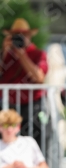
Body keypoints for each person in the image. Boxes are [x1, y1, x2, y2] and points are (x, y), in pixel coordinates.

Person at [0, 18, 49, 150]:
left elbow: (39, 77)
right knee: (7, 142)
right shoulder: (6, 55)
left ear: (29, 37)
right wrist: (4, 51)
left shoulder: (39, 54)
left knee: (35, 142)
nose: (19, 38)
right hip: (8, 106)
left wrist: (22, 54)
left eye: (23, 35)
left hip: (32, 106)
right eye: (16, 35)